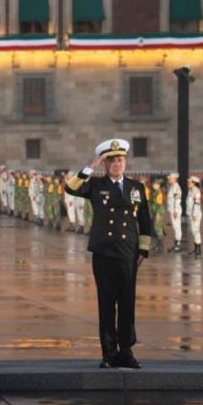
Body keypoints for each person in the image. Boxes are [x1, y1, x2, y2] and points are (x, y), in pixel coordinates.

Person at [64, 139, 152, 369]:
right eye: (111, 160)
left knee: (126, 302)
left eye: (120, 160)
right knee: (106, 303)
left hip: (127, 252)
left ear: (126, 162)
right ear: (105, 164)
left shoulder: (136, 187)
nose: (116, 164)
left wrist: (143, 249)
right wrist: (91, 166)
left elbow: (145, 219)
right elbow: (71, 188)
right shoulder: (95, 185)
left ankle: (126, 350)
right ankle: (109, 353)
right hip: (104, 251)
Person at [186, 176, 203, 257]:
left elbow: (197, 204)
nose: (188, 184)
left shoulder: (196, 191)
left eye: (189, 182)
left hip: (195, 214)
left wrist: (194, 214)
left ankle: (198, 249)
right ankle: (196, 248)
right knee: (193, 231)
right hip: (191, 214)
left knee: (196, 231)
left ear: (194, 183)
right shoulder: (191, 191)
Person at [166, 172, 183, 252]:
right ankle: (176, 244)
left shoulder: (176, 188)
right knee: (175, 227)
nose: (169, 179)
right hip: (172, 210)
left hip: (175, 211)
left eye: (170, 178)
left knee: (177, 227)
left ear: (174, 178)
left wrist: (176, 210)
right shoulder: (172, 187)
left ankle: (178, 245)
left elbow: (177, 200)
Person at [149, 178, 166, 252]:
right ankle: (158, 244)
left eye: (156, 184)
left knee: (158, 228)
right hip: (155, 211)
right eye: (153, 184)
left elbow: (160, 204)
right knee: (157, 227)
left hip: (158, 212)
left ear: (159, 185)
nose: (154, 185)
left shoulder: (159, 193)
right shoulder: (155, 192)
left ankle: (161, 245)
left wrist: (158, 214)